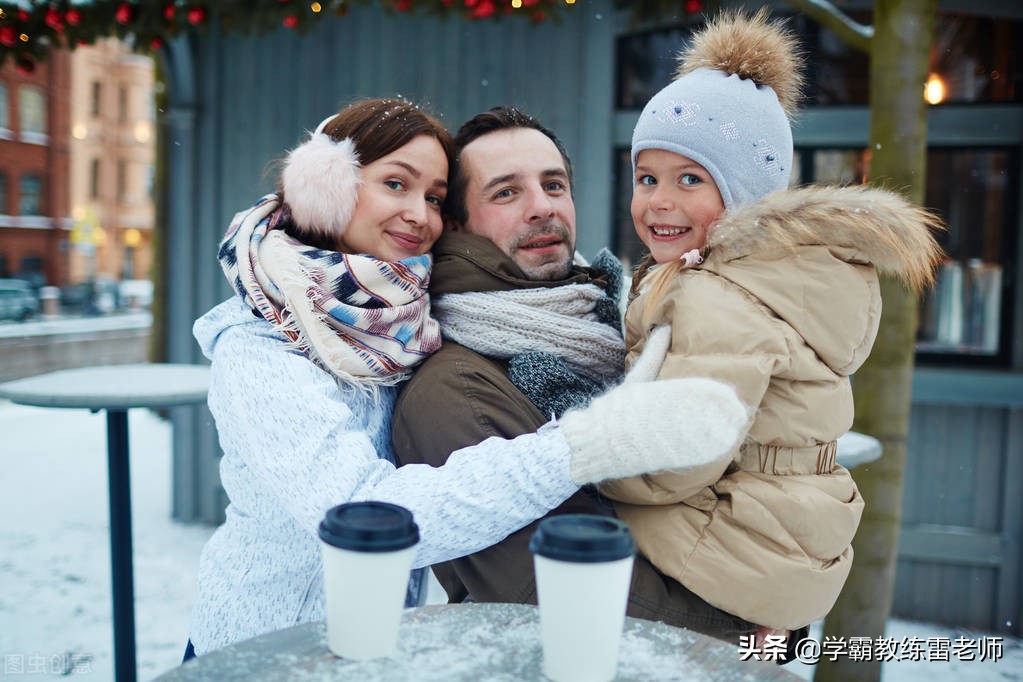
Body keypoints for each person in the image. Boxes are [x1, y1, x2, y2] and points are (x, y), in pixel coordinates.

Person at [187, 97, 750, 656]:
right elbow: (359, 515)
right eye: (396, 184)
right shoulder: (262, 348)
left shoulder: (400, 327)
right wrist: (587, 443)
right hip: (265, 651)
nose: (419, 214)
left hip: (369, 647)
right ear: (327, 187)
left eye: (432, 196)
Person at [601, 8, 944, 651]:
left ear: (745, 196)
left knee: (554, 548)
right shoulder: (778, 275)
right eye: (647, 178)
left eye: (690, 180)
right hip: (783, 555)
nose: (659, 201)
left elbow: (674, 458)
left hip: (729, 560)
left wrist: (583, 463)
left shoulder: (720, 299)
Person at [391, 105, 759, 642]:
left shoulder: (624, 322)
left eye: (553, 185)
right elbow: (567, 596)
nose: (542, 208)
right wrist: (750, 628)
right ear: (456, 224)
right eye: (506, 193)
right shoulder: (455, 392)